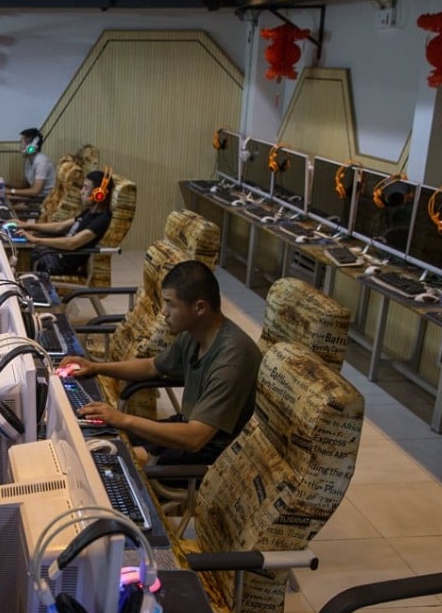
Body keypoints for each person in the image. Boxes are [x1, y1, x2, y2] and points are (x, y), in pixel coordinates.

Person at [60, 260, 262, 467]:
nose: (164, 312)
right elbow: (151, 366)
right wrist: (95, 367)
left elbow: (195, 438)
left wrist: (123, 418)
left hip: (213, 451)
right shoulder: (195, 334)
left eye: (171, 304)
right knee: (99, 433)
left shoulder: (232, 359)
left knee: (104, 458)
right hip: (186, 426)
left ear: (199, 307)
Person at [17, 168, 114, 276]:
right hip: (55, 255)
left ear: (99, 194)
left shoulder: (102, 220)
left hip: (60, 265)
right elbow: (60, 227)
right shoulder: (88, 212)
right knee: (19, 251)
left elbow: (71, 243)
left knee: (21, 256)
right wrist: (27, 226)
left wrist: (36, 240)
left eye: (85, 188)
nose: (81, 192)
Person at [7, 127, 56, 202]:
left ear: (31, 146)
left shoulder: (41, 162)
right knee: (6, 198)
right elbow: (23, 184)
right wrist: (2, 183)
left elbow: (35, 191)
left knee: (10, 204)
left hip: (45, 201)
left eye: (21, 142)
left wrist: (11, 191)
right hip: (37, 198)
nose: (19, 147)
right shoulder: (29, 160)